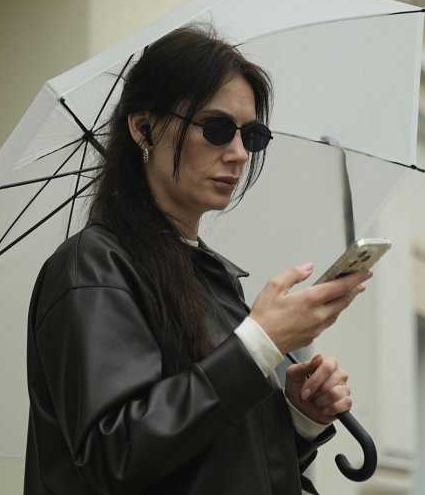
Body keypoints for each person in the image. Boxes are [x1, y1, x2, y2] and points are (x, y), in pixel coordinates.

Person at [23, 26, 370, 495]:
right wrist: (258, 343)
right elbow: (117, 456)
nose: (239, 153)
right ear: (143, 127)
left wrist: (299, 418)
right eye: (217, 128)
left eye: (252, 134)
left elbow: (213, 461)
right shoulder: (93, 268)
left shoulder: (209, 277)